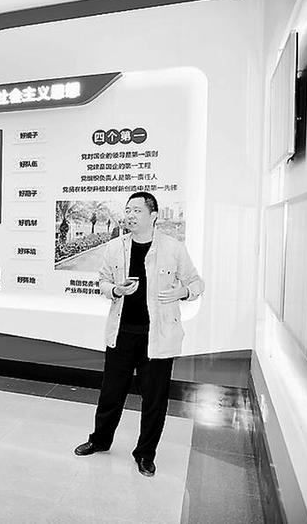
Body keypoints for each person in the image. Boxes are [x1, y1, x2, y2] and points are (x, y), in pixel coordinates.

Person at [73, 192, 204, 477]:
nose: (130, 216)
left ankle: (145, 454)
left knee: (154, 399)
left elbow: (196, 283)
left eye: (137, 211)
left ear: (153, 215)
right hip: (122, 333)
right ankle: (100, 440)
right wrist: (115, 290)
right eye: (128, 210)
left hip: (158, 336)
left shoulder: (173, 248)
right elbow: (103, 281)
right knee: (111, 392)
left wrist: (182, 292)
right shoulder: (115, 247)